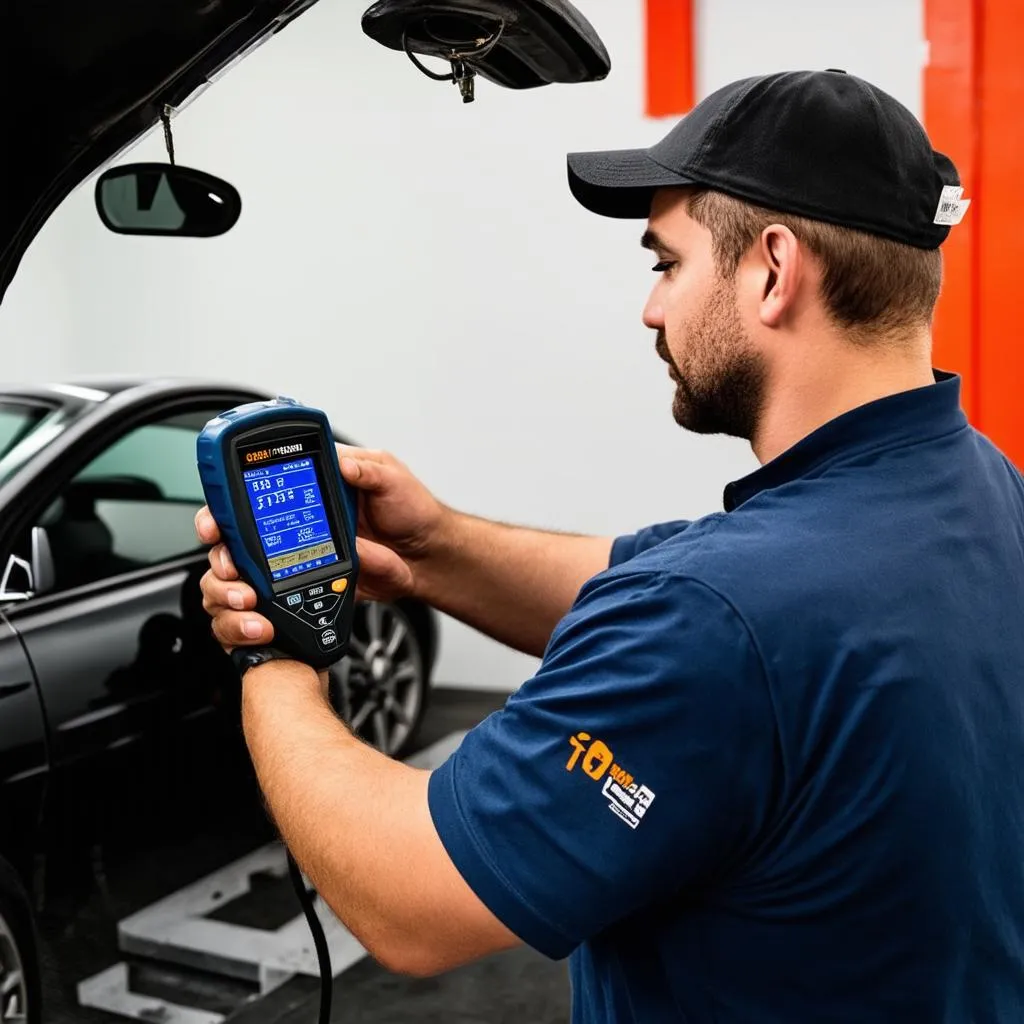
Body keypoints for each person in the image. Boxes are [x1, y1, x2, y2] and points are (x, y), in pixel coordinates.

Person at [195, 69, 1024, 1022]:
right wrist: (432, 547)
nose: (651, 310)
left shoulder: (716, 617)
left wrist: (272, 654)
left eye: (665, 264)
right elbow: (654, 593)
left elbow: (405, 902)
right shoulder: (979, 491)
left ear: (773, 269)